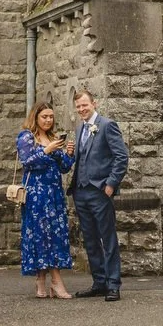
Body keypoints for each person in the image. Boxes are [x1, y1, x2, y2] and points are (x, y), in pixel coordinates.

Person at [67, 88, 129, 302]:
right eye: (78, 107)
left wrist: (111, 184)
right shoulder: (79, 129)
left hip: (100, 191)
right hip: (81, 191)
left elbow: (121, 157)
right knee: (91, 240)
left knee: (107, 238)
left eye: (85, 105)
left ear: (94, 104)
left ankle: (113, 285)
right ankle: (99, 282)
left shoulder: (107, 125)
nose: (82, 109)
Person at [16, 101, 74, 299]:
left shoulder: (53, 137)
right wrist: (46, 150)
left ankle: (42, 281)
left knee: (54, 235)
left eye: (51, 117)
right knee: (40, 235)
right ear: (36, 118)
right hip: (36, 195)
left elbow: (64, 167)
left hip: (54, 194)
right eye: (44, 117)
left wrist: (68, 154)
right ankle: (55, 282)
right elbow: (27, 162)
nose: (48, 120)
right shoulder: (26, 137)